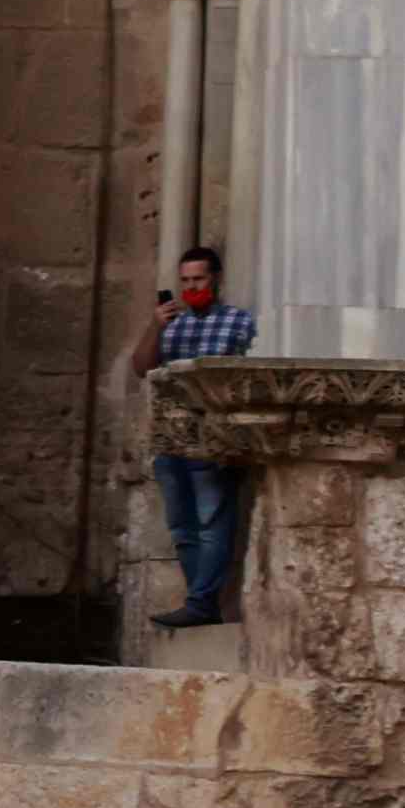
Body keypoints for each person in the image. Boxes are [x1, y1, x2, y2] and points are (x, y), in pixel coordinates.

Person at [143, 244, 258, 627]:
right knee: (182, 527)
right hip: (169, 440)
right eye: (186, 280)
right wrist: (155, 326)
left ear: (215, 279)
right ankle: (199, 604)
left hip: (212, 439)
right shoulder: (171, 323)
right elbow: (140, 367)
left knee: (212, 523)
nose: (192, 287)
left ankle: (203, 601)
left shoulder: (238, 323)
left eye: (199, 279)